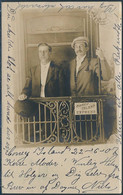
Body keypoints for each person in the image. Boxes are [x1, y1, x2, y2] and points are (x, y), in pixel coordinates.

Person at [14, 43, 64, 117]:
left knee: (50, 127)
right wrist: (23, 94)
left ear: (50, 53)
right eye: (40, 51)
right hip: (35, 105)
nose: (42, 54)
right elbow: (27, 87)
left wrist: (59, 108)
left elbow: (62, 91)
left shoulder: (58, 70)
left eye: (45, 51)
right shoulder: (32, 70)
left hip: (52, 106)